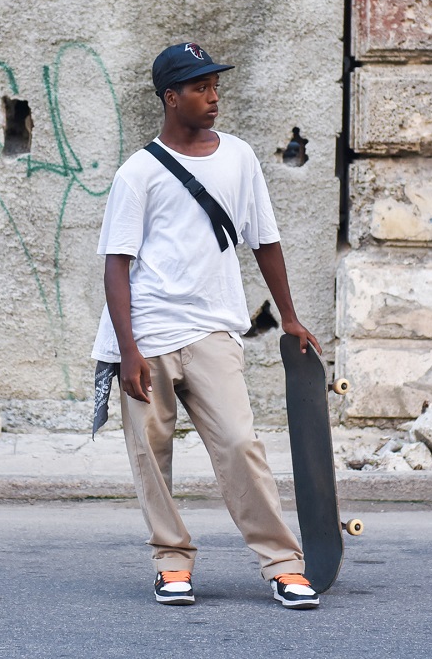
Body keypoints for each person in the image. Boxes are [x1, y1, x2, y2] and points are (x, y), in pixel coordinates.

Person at [91, 42, 321, 609]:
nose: (213, 97)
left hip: (214, 330)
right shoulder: (137, 173)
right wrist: (128, 349)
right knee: (150, 451)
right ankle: (172, 562)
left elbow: (264, 239)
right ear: (171, 97)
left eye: (215, 86)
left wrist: (288, 315)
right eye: (199, 88)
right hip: (146, 334)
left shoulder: (240, 157)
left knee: (241, 444)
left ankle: (284, 564)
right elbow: (116, 264)